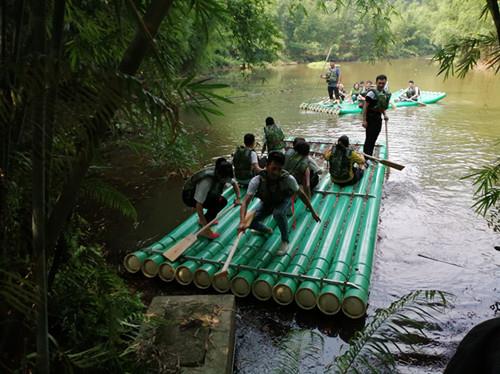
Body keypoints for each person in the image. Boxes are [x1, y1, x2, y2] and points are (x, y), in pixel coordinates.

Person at [238, 151, 320, 256]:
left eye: (279, 169)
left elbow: (302, 194)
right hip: (267, 203)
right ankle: (266, 230)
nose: (276, 172)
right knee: (248, 222)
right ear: (267, 166)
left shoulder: (288, 178)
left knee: (278, 213)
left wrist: (313, 211)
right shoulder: (257, 180)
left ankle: (285, 240)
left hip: (282, 201)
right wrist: (242, 222)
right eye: (273, 168)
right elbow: (245, 202)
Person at [182, 158, 241, 239]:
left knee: (222, 201)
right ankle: (203, 228)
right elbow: (198, 205)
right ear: (218, 175)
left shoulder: (224, 174)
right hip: (190, 197)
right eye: (224, 179)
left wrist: (238, 198)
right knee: (217, 202)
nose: (226, 181)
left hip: (205, 195)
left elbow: (235, 184)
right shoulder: (206, 181)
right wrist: (206, 228)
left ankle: (206, 220)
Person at [362, 74, 391, 156]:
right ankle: (366, 157)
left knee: (374, 137)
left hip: (378, 118)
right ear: (376, 82)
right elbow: (365, 106)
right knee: (369, 138)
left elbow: (381, 106)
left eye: (383, 83)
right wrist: (364, 120)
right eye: (379, 83)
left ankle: (369, 155)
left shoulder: (383, 93)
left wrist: (385, 114)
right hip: (370, 118)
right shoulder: (371, 93)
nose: (381, 85)